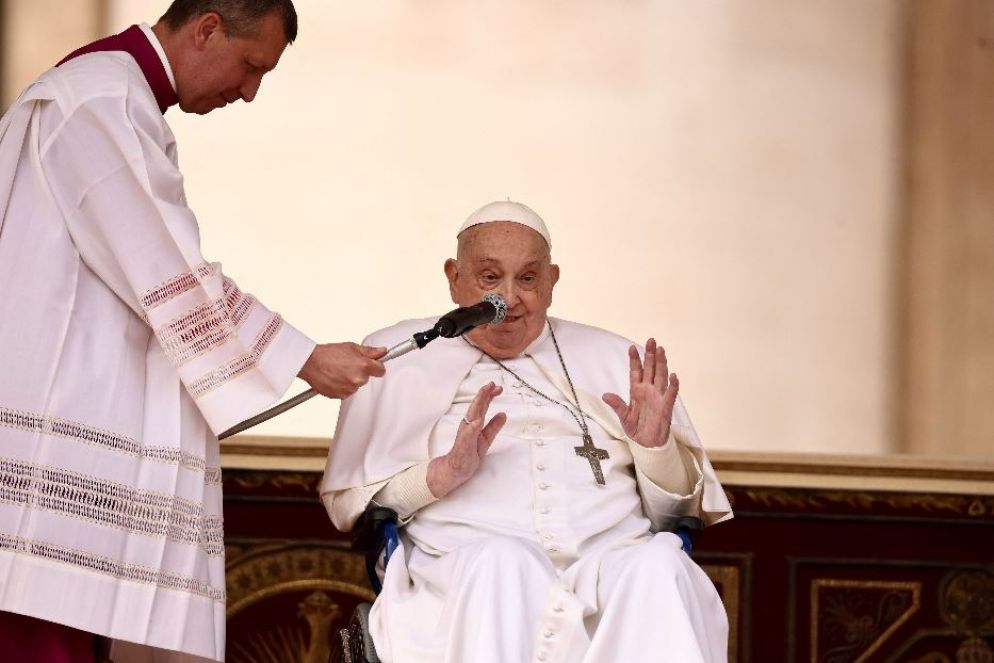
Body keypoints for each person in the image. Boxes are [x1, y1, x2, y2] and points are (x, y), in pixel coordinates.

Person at [0, 1, 385, 660]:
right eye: (250, 66)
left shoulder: (111, 96)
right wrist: (303, 356)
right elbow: (167, 268)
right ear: (207, 27)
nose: (248, 91)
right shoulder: (97, 100)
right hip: (52, 447)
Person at [321, 200, 734, 663]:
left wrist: (655, 449)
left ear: (553, 281)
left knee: (660, 565)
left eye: (529, 278)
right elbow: (356, 508)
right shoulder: (399, 359)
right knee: (503, 563)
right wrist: (441, 475)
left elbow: (674, 516)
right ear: (454, 277)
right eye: (490, 277)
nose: (509, 299)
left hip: (610, 574)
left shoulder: (617, 359)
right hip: (464, 571)